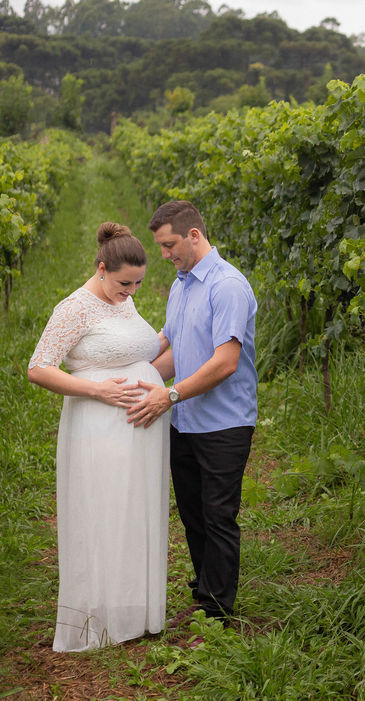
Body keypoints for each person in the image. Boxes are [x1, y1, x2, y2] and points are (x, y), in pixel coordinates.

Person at [27, 223, 169, 652]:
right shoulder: (75, 308)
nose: (132, 292)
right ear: (102, 269)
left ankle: (133, 610)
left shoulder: (122, 301)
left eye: (140, 283)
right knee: (104, 511)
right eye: (126, 283)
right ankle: (101, 616)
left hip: (139, 431)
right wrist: (98, 389)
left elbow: (135, 348)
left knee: (133, 512)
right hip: (99, 427)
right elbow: (39, 367)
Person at [126, 200, 257, 626]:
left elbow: (225, 362)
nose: (164, 255)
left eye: (169, 245)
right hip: (184, 420)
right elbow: (175, 355)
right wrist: (131, 383)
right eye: (161, 247)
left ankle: (218, 614)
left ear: (194, 235)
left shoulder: (227, 286)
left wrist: (169, 396)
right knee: (193, 513)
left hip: (223, 423)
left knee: (218, 515)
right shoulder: (182, 285)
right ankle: (205, 595)